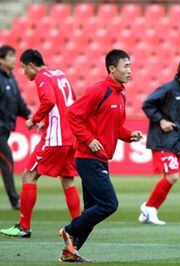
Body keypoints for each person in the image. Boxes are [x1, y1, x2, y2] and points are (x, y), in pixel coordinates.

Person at [59, 49, 142, 262]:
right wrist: (88, 139)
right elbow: (72, 114)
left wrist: (129, 135)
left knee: (92, 209)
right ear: (112, 68)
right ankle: (69, 230)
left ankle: (71, 251)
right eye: (125, 66)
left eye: (130, 66)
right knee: (109, 204)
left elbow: (115, 127)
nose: (129, 71)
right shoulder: (98, 90)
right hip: (87, 158)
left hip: (100, 158)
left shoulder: (120, 95)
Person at [0, 49, 81, 238]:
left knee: (28, 176)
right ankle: (78, 227)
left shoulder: (42, 77)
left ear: (30, 65)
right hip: (71, 136)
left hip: (56, 137)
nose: (23, 72)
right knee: (67, 179)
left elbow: (49, 101)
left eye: (23, 68)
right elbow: (72, 103)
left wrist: (34, 119)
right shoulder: (59, 73)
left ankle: (24, 226)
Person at [138, 56, 180, 225]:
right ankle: (150, 207)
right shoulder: (168, 89)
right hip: (162, 139)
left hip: (177, 142)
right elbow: (147, 104)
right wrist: (161, 120)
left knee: (172, 176)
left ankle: (148, 211)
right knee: (173, 176)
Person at [0, 45, 31, 210]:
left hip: (5, 130)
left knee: (7, 162)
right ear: (1, 60)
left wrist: (32, 117)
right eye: (10, 56)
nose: (14, 59)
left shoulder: (11, 78)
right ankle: (15, 201)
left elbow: (20, 103)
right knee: (8, 162)